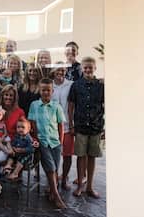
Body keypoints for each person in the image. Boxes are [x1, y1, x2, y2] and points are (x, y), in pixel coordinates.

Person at [68, 56, 105, 198]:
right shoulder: (76, 85)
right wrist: (71, 125)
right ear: (82, 69)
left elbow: (105, 105)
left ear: (95, 68)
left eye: (91, 67)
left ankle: (90, 186)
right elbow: (71, 106)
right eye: (85, 67)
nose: (88, 70)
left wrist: (105, 126)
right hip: (81, 126)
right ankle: (80, 186)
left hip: (96, 126)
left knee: (92, 157)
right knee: (80, 156)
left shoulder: (101, 85)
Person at [28, 78, 67, 208]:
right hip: (42, 141)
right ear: (39, 90)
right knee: (50, 168)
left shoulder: (56, 106)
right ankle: (56, 195)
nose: (45, 92)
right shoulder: (34, 105)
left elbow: (60, 125)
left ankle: (51, 190)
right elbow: (33, 123)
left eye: (48, 90)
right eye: (43, 90)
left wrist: (61, 143)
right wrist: (35, 138)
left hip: (55, 142)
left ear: (52, 91)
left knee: (55, 168)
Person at [0, 84, 26, 199]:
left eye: (11, 95)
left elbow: (24, 130)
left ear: (15, 98)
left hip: (10, 148)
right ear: (2, 96)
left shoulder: (19, 112)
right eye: (6, 95)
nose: (8, 97)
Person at [51, 62, 74, 190]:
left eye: (63, 70)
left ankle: (64, 179)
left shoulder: (70, 85)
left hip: (67, 125)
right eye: (58, 70)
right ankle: (53, 180)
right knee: (53, 155)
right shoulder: (50, 85)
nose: (60, 73)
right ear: (53, 71)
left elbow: (73, 104)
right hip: (53, 127)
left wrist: (72, 123)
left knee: (67, 155)